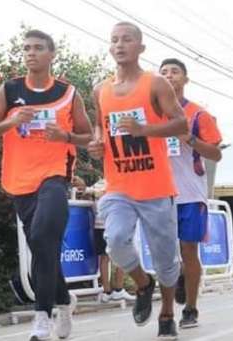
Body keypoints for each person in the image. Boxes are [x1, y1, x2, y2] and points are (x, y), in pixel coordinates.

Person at [87, 22, 188, 340]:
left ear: (140, 47)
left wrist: (144, 130)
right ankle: (144, 284)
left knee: (165, 259)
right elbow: (100, 130)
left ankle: (168, 313)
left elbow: (180, 124)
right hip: (118, 186)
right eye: (114, 40)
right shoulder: (99, 90)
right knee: (115, 240)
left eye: (127, 39)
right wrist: (95, 143)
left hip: (156, 188)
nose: (119, 45)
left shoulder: (155, 84)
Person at [0, 29, 93, 341]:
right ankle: (64, 302)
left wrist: (65, 137)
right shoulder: (9, 90)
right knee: (43, 248)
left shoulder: (67, 92)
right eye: (26, 48)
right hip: (20, 181)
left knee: (41, 236)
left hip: (54, 176)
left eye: (37, 48)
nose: (30, 53)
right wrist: (12, 122)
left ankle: (41, 317)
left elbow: (88, 136)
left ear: (51, 54)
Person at [159, 58, 223, 328]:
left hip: (190, 193)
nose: (169, 76)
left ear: (185, 79)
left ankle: (191, 308)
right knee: (165, 253)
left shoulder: (198, 114)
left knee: (188, 250)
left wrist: (190, 139)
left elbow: (216, 154)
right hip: (159, 192)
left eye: (175, 72)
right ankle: (172, 299)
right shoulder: (151, 114)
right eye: (163, 73)